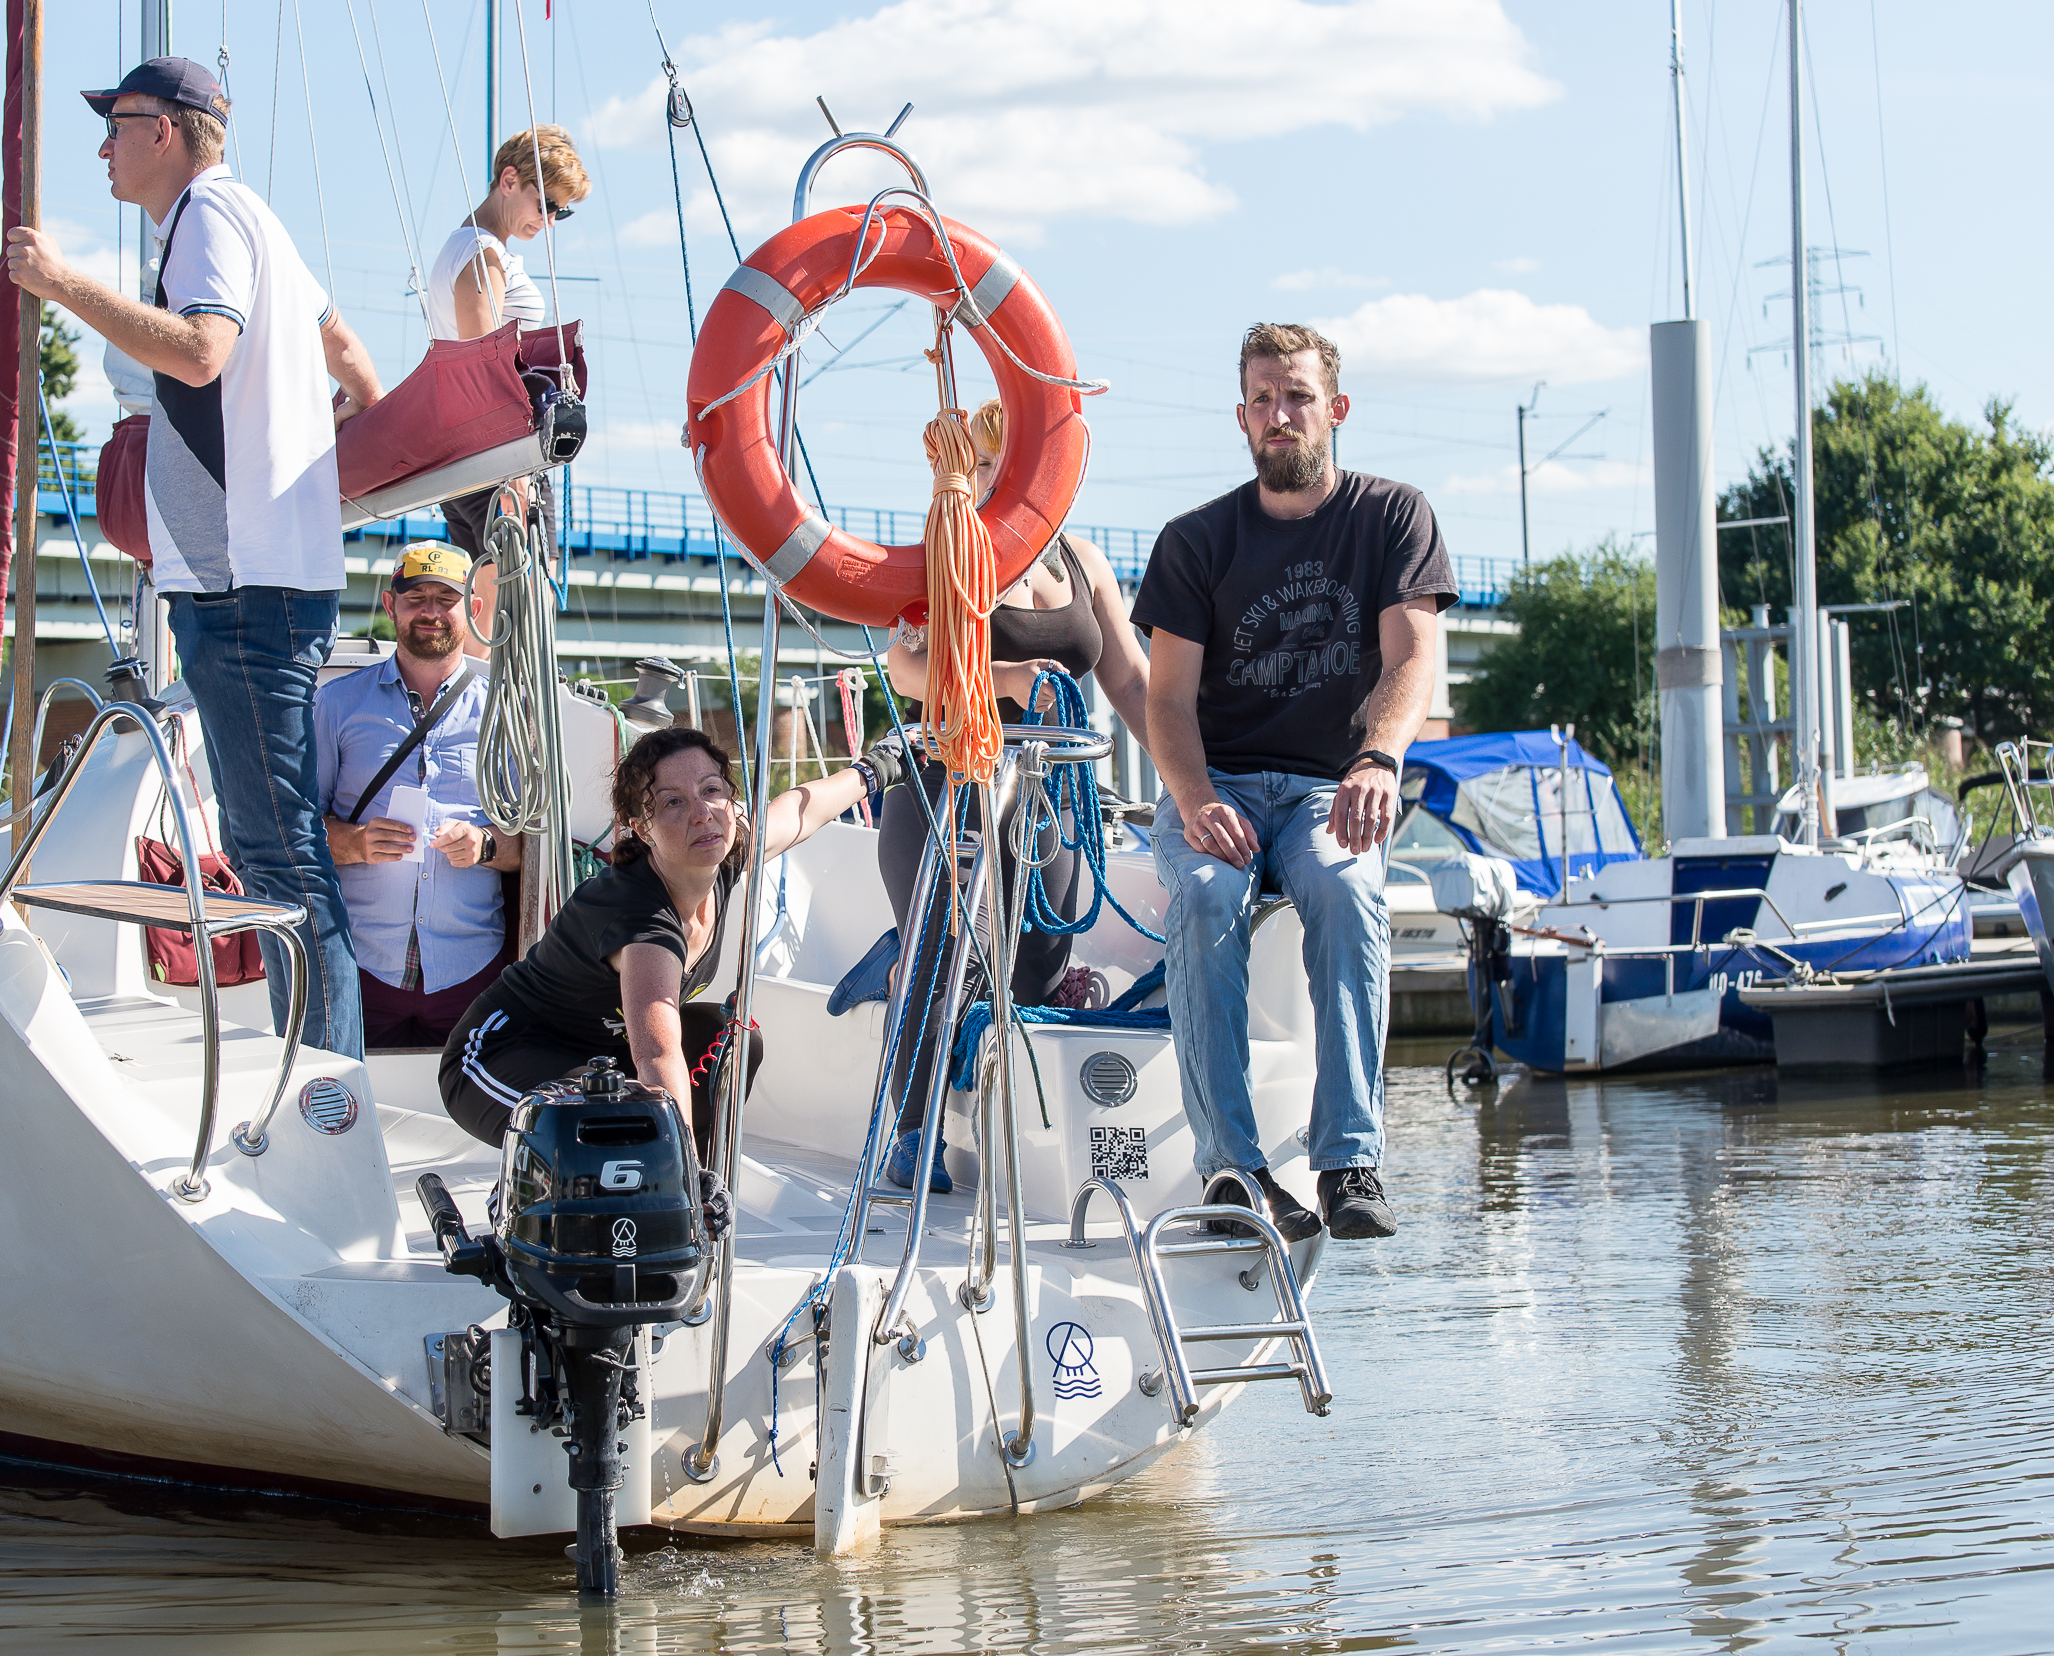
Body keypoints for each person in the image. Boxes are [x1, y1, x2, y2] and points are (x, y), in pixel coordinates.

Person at [5, 56, 382, 1058]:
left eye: (116, 126)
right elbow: (350, 359)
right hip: (264, 581)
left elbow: (201, 353)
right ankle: (322, 1079)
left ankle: (322, 1096)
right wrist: (310, 433)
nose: (102, 148)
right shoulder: (256, 222)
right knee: (281, 850)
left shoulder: (208, 219)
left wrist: (58, 283)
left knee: (280, 860)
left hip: (238, 591)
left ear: (165, 130)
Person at [1132, 323, 1453, 1244]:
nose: (1281, 414)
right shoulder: (1196, 541)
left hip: (1329, 789)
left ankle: (1348, 1159)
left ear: (1335, 408)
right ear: (1241, 418)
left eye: (1299, 396)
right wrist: (1195, 801)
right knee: (1200, 897)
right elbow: (1167, 701)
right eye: (1264, 399)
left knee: (1346, 886)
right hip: (1220, 784)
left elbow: (1413, 656)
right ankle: (1232, 1170)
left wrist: (1377, 758)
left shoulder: (1393, 517)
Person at [876, 399, 1152, 1193]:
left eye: (1021, 462)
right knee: (941, 957)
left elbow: (1129, 678)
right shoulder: (950, 547)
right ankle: (914, 1125)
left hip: (1049, 794)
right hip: (946, 783)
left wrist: (1187, 781)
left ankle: (1009, 1122)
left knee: (1037, 964)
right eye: (990, 465)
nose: (1008, 479)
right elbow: (905, 669)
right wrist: (1009, 679)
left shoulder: (1082, 560)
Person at [440, 727, 892, 1161]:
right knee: (597, 1121)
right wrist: (679, 1171)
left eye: (712, 790)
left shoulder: (717, 850)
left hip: (605, 1059)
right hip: (498, 1056)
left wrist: (879, 767)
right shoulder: (639, 916)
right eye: (674, 802)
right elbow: (656, 1055)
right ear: (642, 828)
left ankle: (700, 1186)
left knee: (731, 1040)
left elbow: (800, 812)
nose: (702, 812)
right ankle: (677, 1184)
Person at [315, 542, 523, 1049]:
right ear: (391, 606)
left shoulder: (505, 712)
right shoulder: (336, 704)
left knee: (472, 1122)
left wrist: (484, 845)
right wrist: (357, 843)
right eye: (416, 597)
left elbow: (535, 846)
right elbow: (299, 829)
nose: (430, 611)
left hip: (472, 972)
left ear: (473, 611)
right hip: (359, 966)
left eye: (445, 599)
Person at [427, 125, 592, 609]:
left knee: (488, 601)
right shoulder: (483, 255)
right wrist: (515, 473)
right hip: (495, 457)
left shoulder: (469, 248)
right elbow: (483, 368)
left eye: (564, 210)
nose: (552, 220)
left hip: (467, 454)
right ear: (509, 181)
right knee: (518, 601)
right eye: (546, 205)